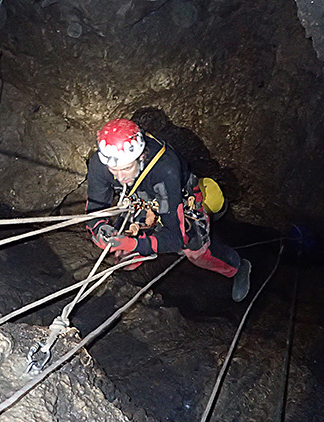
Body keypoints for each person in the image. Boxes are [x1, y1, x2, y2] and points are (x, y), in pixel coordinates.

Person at [85, 118, 251, 302]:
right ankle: (136, 265)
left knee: (197, 252)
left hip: (176, 196)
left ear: (141, 157)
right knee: (123, 255)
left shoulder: (165, 169)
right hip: (140, 198)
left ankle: (236, 266)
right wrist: (100, 229)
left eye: (126, 168)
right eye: (113, 170)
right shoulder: (100, 164)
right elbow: (95, 209)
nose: (120, 177)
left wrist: (133, 244)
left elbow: (175, 239)